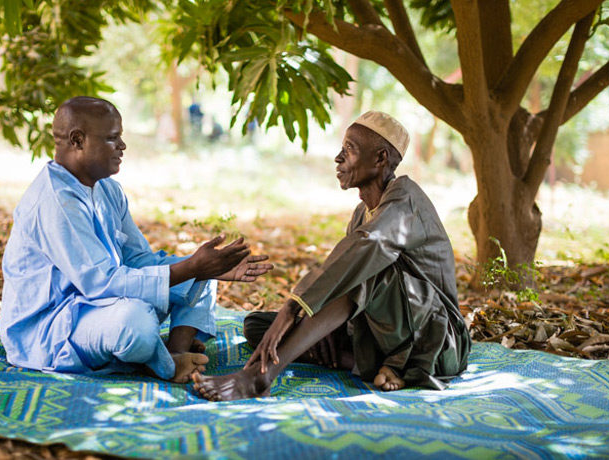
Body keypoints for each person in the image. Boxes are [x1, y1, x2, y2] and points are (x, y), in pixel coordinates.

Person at [193, 111, 471, 400]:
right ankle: (381, 366)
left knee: (365, 270)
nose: (338, 158)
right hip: (386, 333)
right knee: (258, 327)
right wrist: (319, 321)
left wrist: (292, 309)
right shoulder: (362, 213)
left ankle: (259, 378)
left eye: (350, 149)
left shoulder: (406, 200)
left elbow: (365, 250)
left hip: (435, 341)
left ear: (380, 158)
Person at [0, 96, 272, 383]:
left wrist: (201, 269)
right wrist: (191, 268)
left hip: (100, 305)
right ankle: (163, 365)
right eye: (112, 138)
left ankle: (176, 351)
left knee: (203, 273)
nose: (122, 146)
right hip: (53, 325)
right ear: (77, 141)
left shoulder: (107, 189)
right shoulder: (56, 201)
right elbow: (100, 283)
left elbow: (139, 258)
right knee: (136, 325)